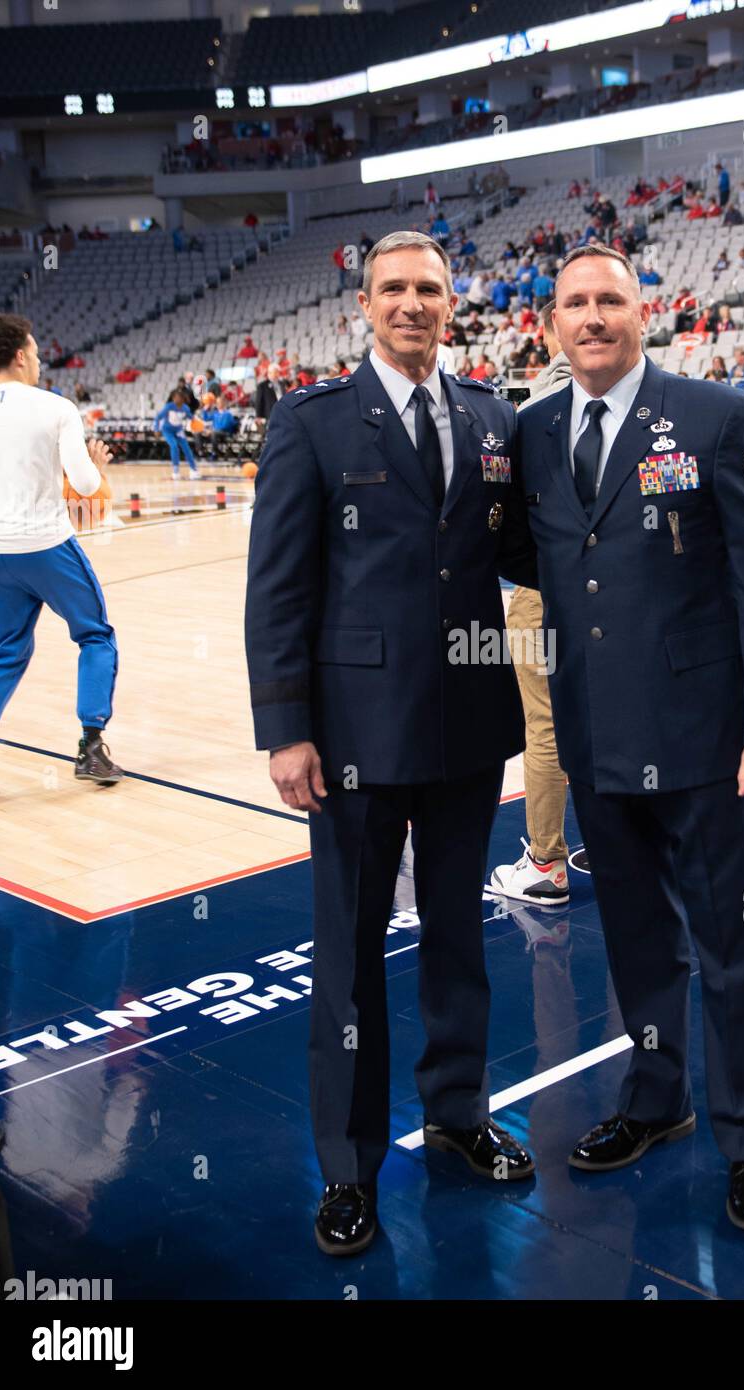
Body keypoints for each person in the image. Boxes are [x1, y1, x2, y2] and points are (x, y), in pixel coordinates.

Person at [244, 229, 539, 1259]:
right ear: (362, 304)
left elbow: (526, 546)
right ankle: (347, 1163)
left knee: (460, 936)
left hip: (466, 729)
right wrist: (285, 731)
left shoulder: (494, 418)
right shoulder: (311, 422)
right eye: (392, 288)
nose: (411, 303)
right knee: (349, 956)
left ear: (453, 302)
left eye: (428, 288)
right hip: (354, 738)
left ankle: (459, 1112)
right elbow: (277, 586)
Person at [517, 244, 744, 1231]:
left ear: (644, 314)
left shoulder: (715, 418)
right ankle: (654, 1099)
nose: (591, 318)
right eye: (574, 304)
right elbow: (547, 562)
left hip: (704, 739)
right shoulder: (532, 431)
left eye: (609, 301)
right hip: (597, 737)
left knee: (729, 947)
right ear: (550, 323)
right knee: (637, 945)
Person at [0, 313, 123, 798]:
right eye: (37, 353)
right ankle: (91, 746)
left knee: (7, 652)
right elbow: (84, 487)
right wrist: (97, 467)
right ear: (20, 355)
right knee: (95, 636)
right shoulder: (55, 407)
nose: (41, 362)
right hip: (45, 546)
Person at [491, 301, 575, 904]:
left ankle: (547, 863)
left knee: (544, 727)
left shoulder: (532, 411)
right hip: (619, 594)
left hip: (544, 590)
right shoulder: (644, 401)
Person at [154, 389, 199, 480]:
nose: (176, 399)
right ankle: (176, 470)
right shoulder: (168, 407)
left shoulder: (186, 408)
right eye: (174, 397)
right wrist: (156, 429)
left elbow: (191, 417)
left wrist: (198, 425)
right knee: (174, 446)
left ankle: (193, 469)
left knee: (186, 448)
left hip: (178, 431)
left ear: (182, 399)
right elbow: (158, 418)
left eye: (178, 397)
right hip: (167, 430)